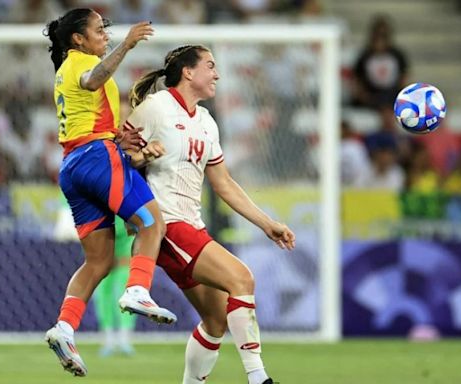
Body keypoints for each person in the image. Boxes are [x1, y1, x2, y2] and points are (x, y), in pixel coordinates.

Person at [124, 45, 296, 384]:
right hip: (165, 224)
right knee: (241, 278)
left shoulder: (206, 121)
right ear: (188, 72)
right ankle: (258, 377)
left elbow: (224, 184)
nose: (217, 74)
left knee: (216, 321)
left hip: (192, 226)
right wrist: (142, 156)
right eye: (210, 66)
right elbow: (118, 155)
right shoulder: (156, 107)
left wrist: (268, 224)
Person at [43, 8, 176, 377]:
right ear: (78, 39)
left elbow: (87, 112)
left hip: (73, 165)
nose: (106, 35)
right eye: (99, 30)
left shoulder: (66, 68)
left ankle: (65, 327)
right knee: (151, 223)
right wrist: (128, 46)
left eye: (107, 30)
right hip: (95, 155)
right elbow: (90, 81)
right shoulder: (79, 62)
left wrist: (120, 137)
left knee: (98, 261)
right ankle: (137, 289)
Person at [93, 216, 137, 357]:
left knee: (128, 292)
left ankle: (125, 338)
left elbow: (133, 231)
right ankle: (108, 339)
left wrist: (128, 255)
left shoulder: (124, 207)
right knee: (103, 295)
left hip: (125, 253)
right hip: (102, 253)